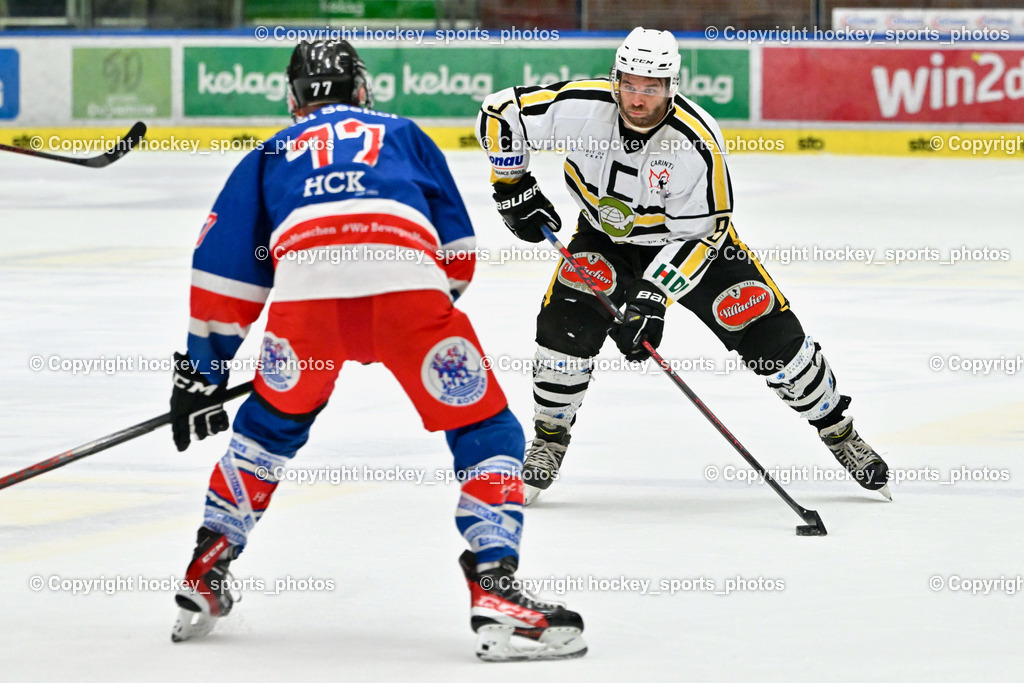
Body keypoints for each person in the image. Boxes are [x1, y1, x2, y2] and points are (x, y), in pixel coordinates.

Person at [168, 39, 586, 662]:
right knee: (485, 426)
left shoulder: (270, 153)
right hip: (409, 297)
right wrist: (416, 322)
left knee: (267, 428)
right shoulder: (404, 133)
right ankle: (496, 587)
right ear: (362, 91)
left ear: (293, 98)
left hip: (305, 310)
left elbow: (225, 269)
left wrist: (202, 373)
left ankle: (206, 569)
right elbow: (458, 248)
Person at [476, 27, 891, 505]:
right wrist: (510, 186)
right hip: (603, 238)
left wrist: (653, 296)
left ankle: (839, 432)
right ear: (615, 79)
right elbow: (499, 111)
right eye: (630, 83)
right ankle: (549, 439)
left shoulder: (695, 141)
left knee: (770, 337)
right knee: (562, 328)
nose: (637, 98)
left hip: (693, 245)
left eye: (651, 88)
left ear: (672, 85)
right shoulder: (581, 106)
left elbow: (705, 233)